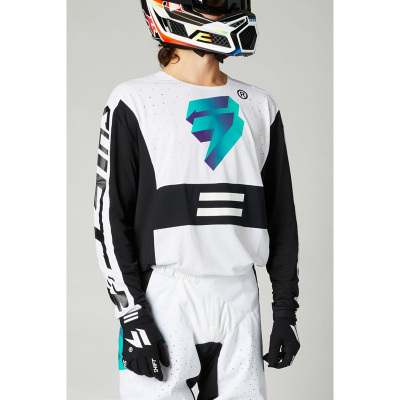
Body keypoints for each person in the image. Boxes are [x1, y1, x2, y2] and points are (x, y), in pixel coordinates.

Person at [94, 1, 300, 399]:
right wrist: (132, 314)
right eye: (214, 3)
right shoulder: (135, 100)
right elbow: (109, 217)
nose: (227, 10)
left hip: (241, 299)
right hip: (166, 297)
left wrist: (285, 312)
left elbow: (282, 220)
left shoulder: (260, 106)